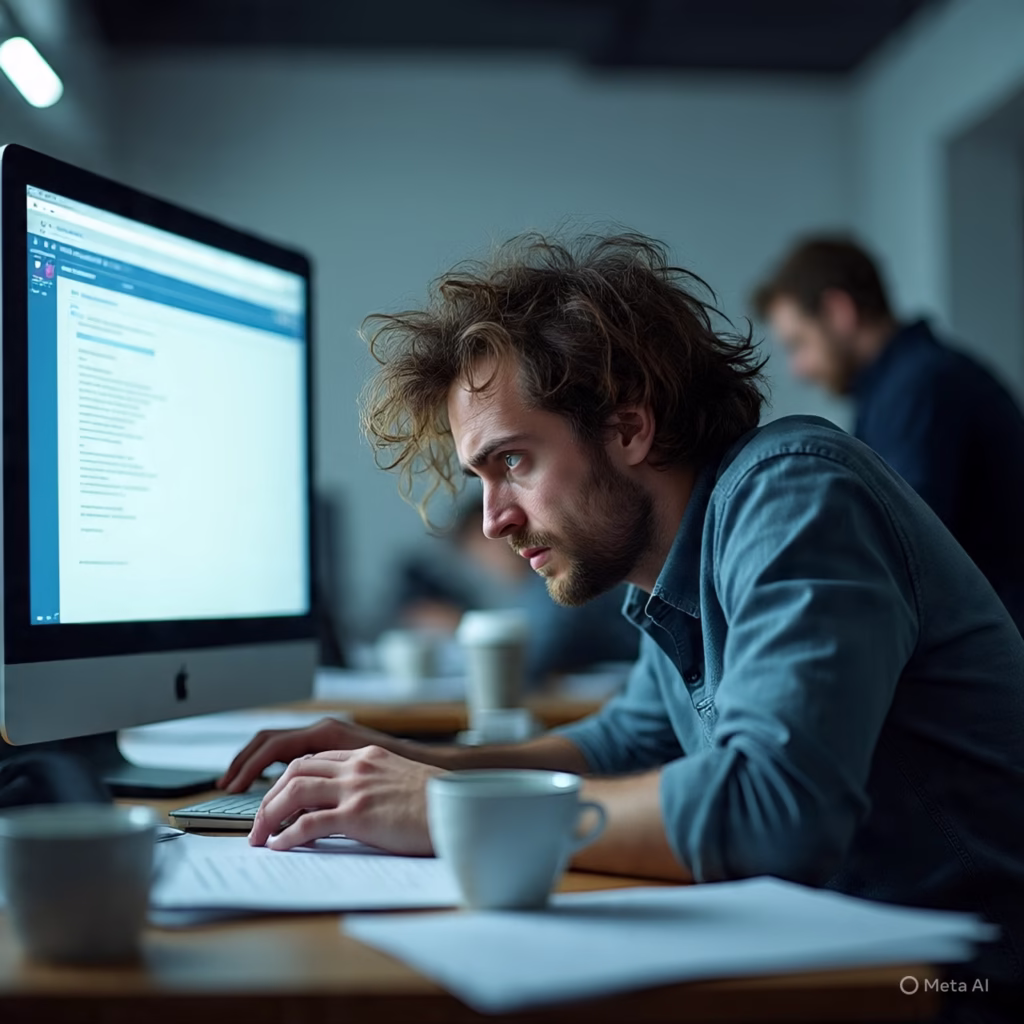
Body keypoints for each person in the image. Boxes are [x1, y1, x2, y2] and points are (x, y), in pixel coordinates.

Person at [220, 233, 1024, 1021]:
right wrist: (402, 762)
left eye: (513, 462)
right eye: (481, 477)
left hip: (971, 980)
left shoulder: (792, 493)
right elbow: (624, 744)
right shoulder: (678, 563)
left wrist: (442, 808)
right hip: (861, 959)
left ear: (629, 426)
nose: (494, 520)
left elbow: (772, 810)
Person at [752, 237, 1024, 634]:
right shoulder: (904, 386)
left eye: (799, 344)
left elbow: (898, 547)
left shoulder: (918, 388)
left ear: (838, 311)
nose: (799, 369)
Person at [390, 498, 638, 682]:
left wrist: (463, 628)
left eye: (479, 547)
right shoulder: (531, 591)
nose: (482, 565)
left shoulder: (557, 582)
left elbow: (522, 664)